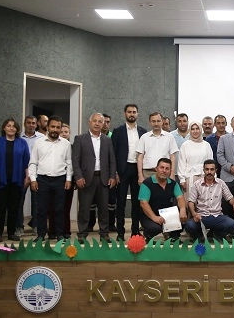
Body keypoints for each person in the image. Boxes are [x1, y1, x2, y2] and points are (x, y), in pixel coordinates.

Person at [72, 113, 117, 243]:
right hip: (85, 179)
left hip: (103, 178)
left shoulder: (107, 140)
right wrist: (78, 176)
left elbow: (112, 160)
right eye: (95, 121)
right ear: (89, 122)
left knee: (104, 209)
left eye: (100, 122)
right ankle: (82, 234)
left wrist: (112, 176)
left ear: (103, 124)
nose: (97, 124)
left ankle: (104, 233)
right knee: (84, 208)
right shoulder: (80, 139)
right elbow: (75, 160)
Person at [28, 116, 72, 242]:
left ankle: (59, 235)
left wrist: (68, 179)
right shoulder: (39, 143)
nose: (55, 129)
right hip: (42, 180)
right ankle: (41, 234)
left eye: (58, 127)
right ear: (47, 127)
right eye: (52, 126)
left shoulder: (66, 144)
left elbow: (69, 163)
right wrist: (33, 179)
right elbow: (33, 162)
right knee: (41, 209)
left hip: (60, 180)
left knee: (59, 209)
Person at [0, 118, 30, 242]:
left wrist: (27, 177)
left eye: (13, 126)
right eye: (9, 125)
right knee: (0, 207)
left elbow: (26, 162)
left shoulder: (22, 143)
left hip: (17, 180)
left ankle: (11, 233)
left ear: (17, 129)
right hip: (0, 180)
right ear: (4, 128)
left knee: (14, 208)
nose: (11, 128)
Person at [111, 104, 147, 240]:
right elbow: (113, 154)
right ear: (124, 113)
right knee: (120, 202)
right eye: (129, 112)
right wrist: (115, 172)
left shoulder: (143, 132)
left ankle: (135, 231)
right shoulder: (118, 131)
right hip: (122, 170)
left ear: (137, 114)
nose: (132, 114)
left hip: (138, 170)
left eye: (134, 112)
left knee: (137, 203)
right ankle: (120, 232)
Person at [185, 160, 234, 241]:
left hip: (217, 216)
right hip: (201, 217)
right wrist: (194, 214)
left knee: (232, 224)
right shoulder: (197, 184)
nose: (209, 172)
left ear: (216, 170)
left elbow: (230, 198)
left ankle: (217, 235)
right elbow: (191, 202)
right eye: (207, 169)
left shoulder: (221, 183)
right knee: (189, 225)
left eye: (212, 169)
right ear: (203, 170)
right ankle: (200, 237)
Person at [139, 158, 188, 240]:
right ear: (156, 168)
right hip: (150, 215)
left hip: (167, 214)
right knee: (155, 228)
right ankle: (148, 235)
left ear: (170, 171)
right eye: (162, 167)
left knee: (183, 219)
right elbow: (143, 203)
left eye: (167, 168)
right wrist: (154, 217)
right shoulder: (147, 183)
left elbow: (180, 198)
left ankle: (173, 236)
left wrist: (183, 210)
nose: (164, 171)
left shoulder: (173, 184)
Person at [16, 115, 44, 235]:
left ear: (36, 124)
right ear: (24, 124)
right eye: (28, 123)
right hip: (20, 173)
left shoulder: (42, 138)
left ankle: (36, 225)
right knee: (19, 201)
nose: (31, 125)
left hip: (37, 173)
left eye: (33, 123)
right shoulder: (18, 137)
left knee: (37, 202)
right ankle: (19, 226)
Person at [136, 112, 178, 184]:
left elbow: (173, 157)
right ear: (150, 122)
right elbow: (140, 157)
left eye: (158, 121)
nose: (156, 123)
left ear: (162, 122)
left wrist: (172, 174)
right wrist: (140, 176)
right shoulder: (144, 137)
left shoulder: (169, 137)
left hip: (165, 173)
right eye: (153, 121)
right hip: (147, 173)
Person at [177, 122, 214, 197]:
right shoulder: (185, 145)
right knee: (190, 200)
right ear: (190, 131)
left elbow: (211, 162)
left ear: (200, 130)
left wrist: (213, 177)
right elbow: (181, 163)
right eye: (193, 129)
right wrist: (182, 179)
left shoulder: (206, 145)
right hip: (189, 177)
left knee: (204, 199)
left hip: (204, 176)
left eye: (197, 129)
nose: (195, 131)